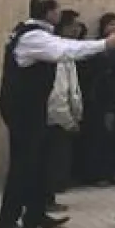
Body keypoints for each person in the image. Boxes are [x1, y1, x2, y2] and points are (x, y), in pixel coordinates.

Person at [0, 0, 115, 228]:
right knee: (23, 166)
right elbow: (65, 50)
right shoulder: (33, 37)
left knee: (39, 162)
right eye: (56, 10)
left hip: (35, 108)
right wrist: (105, 44)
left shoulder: (35, 32)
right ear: (49, 12)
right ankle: (5, 223)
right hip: (22, 109)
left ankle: (35, 214)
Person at [77, 13, 115, 185]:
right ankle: (100, 174)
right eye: (109, 25)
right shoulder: (97, 50)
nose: (113, 28)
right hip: (99, 102)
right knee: (99, 139)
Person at [44, 12, 85, 212]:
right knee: (52, 162)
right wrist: (68, 120)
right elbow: (58, 92)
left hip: (61, 116)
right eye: (72, 26)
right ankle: (45, 200)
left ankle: (47, 198)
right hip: (55, 119)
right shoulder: (57, 54)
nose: (77, 30)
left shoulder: (67, 53)